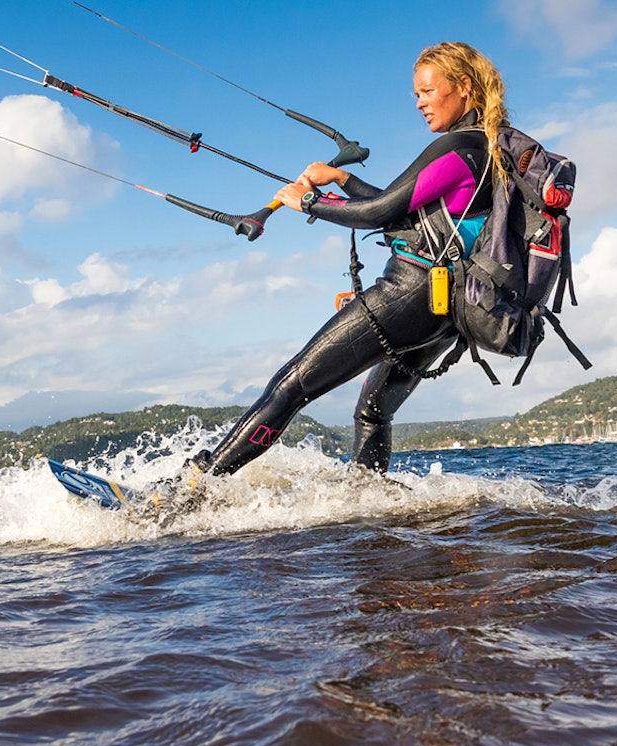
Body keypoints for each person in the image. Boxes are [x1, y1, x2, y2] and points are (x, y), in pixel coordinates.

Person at [168, 41, 510, 501]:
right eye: (416, 94)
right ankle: (366, 508)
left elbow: (378, 213)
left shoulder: (456, 147)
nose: (419, 102)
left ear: (463, 86)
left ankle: (190, 489)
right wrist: (343, 180)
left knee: (291, 385)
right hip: (448, 312)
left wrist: (309, 202)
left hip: (410, 291)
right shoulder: (489, 149)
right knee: (372, 412)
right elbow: (401, 210)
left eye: (428, 90)